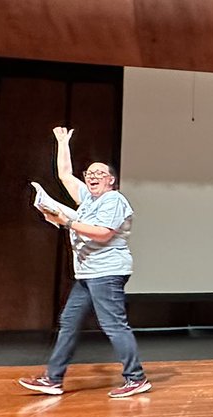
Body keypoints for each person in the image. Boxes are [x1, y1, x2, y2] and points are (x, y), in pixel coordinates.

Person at [19, 127, 149, 398]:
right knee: (69, 321)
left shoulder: (113, 200)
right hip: (88, 274)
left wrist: (66, 221)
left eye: (100, 174)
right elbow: (65, 174)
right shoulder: (88, 200)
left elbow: (103, 233)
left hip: (107, 271)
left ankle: (136, 378)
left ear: (111, 181)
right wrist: (62, 142)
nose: (93, 177)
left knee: (113, 324)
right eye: (90, 173)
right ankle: (53, 379)